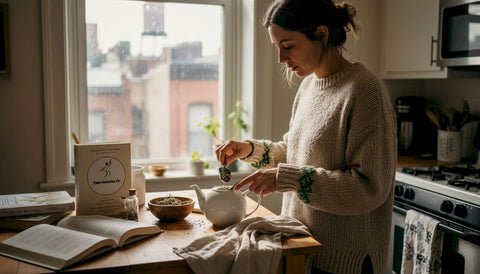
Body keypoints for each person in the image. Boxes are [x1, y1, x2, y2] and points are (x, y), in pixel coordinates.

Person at [215, 0, 397, 273]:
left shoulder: (364, 90)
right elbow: (296, 151)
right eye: (277, 47)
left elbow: (368, 189)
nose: (281, 58)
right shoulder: (309, 87)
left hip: (344, 262)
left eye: (288, 46)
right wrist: (248, 149)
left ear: (321, 35)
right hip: (303, 247)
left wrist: (285, 178)